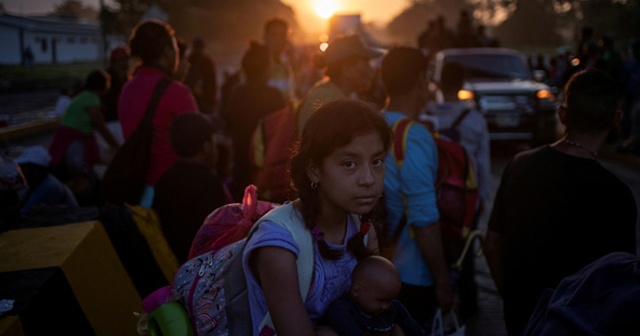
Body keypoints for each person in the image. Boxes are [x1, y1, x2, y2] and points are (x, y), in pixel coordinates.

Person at [483, 69, 637, 336]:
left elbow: (493, 244)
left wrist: (514, 300)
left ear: (563, 114)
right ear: (617, 120)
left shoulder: (520, 166)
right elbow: (621, 281)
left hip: (523, 317)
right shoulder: (617, 194)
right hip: (581, 325)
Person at [242, 99, 392, 335]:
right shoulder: (279, 245)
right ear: (314, 170)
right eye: (349, 163)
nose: (369, 179)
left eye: (377, 162)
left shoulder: (361, 228)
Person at [380, 47, 454, 327]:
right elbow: (424, 219)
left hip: (374, 268)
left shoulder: (373, 125)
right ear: (422, 79)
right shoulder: (412, 136)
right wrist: (443, 281)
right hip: (411, 276)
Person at [425, 61, 490, 320]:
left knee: (433, 251)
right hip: (464, 199)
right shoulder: (474, 119)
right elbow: (483, 163)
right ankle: (469, 309)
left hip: (432, 196)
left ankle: (436, 307)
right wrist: (482, 198)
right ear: (462, 84)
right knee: (465, 258)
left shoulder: (426, 115)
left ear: (438, 83)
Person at [118, 19, 198, 208]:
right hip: (172, 191)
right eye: (175, 47)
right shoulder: (177, 92)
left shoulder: (127, 89)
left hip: (138, 190)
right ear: (167, 51)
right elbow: (197, 143)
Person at [152, 113, 228, 263]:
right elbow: (215, 235)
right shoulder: (208, 181)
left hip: (171, 264)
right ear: (206, 147)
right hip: (197, 269)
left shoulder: (165, 179)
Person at [223, 42, 286, 200]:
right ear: (266, 68)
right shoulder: (274, 96)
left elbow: (228, 126)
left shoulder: (236, 93)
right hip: (266, 169)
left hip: (241, 164)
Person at [297, 34, 381, 135]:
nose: (372, 69)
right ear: (346, 69)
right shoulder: (329, 101)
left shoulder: (342, 95)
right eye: (366, 63)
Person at [325, 255, 424, 336]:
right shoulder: (342, 310)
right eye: (381, 301)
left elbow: (415, 329)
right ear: (356, 291)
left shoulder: (394, 308)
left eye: (390, 300)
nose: (386, 306)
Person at [49, 70, 120, 179]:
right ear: (104, 85)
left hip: (70, 138)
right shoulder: (91, 99)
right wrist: (116, 145)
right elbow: (102, 127)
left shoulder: (83, 96)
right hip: (74, 141)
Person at [14, 146, 77, 214]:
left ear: (36, 170)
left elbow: (25, 212)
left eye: (24, 168)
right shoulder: (37, 183)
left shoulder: (49, 187)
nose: (21, 172)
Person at [263, 18, 297, 103]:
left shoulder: (285, 64)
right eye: (274, 35)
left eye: (283, 35)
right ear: (265, 37)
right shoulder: (256, 64)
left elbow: (289, 97)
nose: (279, 40)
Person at [185, 37, 217, 115]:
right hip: (205, 101)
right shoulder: (208, 61)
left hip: (190, 99)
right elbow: (212, 83)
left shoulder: (188, 59)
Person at [103, 47, 130, 122]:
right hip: (110, 119)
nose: (128, 62)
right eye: (126, 59)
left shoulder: (125, 77)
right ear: (118, 61)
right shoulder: (107, 78)